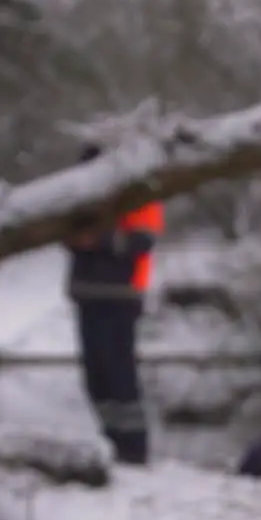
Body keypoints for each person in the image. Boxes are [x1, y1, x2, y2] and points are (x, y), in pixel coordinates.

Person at [66, 144, 163, 466]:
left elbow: (144, 238)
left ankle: (133, 449)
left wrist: (99, 241)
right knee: (96, 377)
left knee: (120, 373)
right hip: (87, 293)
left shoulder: (137, 193)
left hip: (121, 295)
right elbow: (63, 233)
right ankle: (112, 441)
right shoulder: (77, 196)